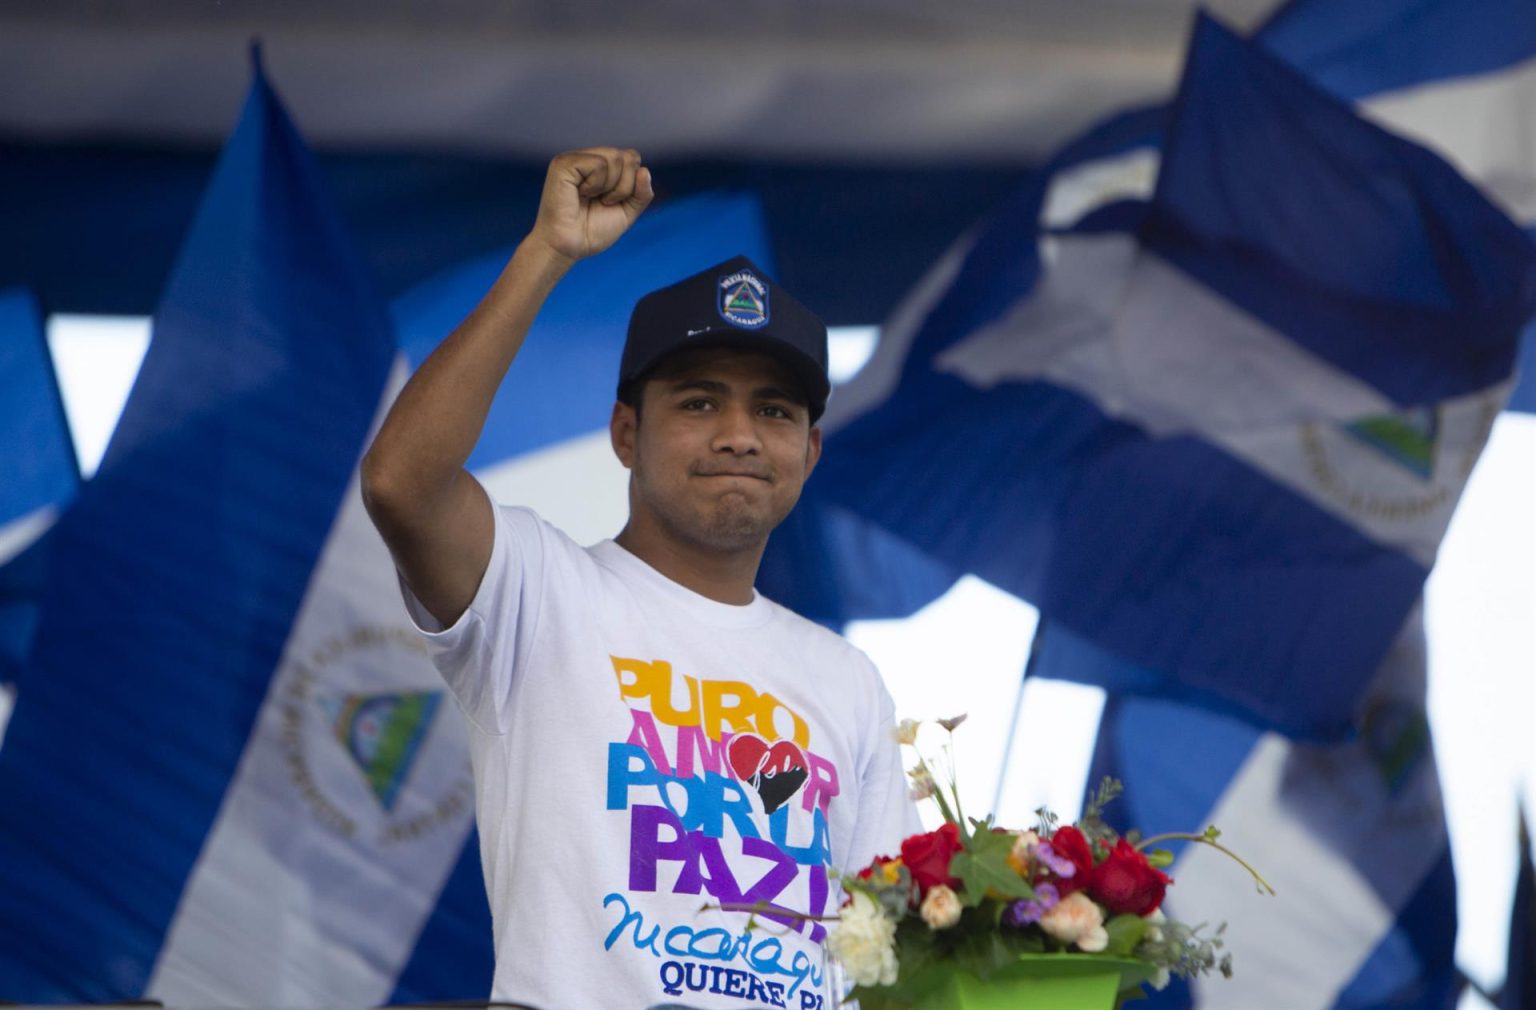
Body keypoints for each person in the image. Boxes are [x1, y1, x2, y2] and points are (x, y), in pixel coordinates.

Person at [361, 147, 919, 1010]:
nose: (738, 434)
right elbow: (402, 482)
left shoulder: (848, 682)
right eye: (699, 402)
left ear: (808, 453)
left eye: (773, 411)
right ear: (625, 433)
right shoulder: (539, 593)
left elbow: (893, 960)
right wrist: (547, 250)